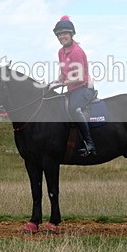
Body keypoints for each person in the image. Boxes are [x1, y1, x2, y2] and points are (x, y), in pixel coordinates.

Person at [53, 15, 96, 157]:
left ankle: (89, 143)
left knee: (74, 109)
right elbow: (63, 74)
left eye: (64, 33)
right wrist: (53, 83)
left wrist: (63, 83)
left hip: (84, 87)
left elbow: (79, 77)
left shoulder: (76, 51)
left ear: (71, 34)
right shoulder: (61, 52)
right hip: (72, 89)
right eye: (59, 34)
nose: (62, 37)